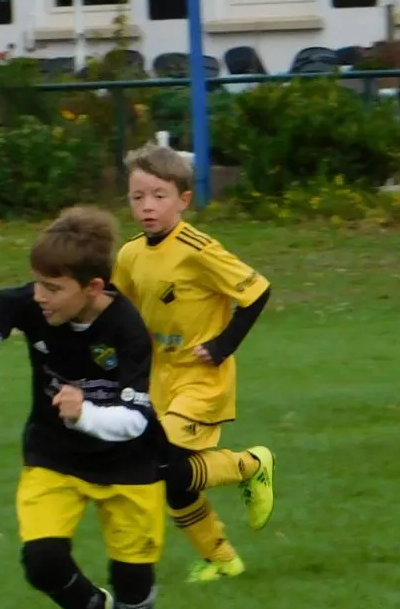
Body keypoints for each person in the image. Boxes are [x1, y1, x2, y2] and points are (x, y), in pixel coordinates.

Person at [0, 207, 163, 609]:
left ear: (93, 288)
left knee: (134, 581)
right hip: (53, 457)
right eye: (37, 284)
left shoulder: (128, 331)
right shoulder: (34, 305)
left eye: (53, 288)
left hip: (129, 466)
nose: (39, 297)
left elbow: (136, 420)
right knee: (42, 561)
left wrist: (85, 413)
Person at [112, 144, 277, 583]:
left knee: (161, 465)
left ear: (183, 199)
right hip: (158, 381)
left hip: (203, 379)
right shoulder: (130, 255)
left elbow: (257, 291)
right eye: (137, 197)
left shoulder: (198, 249)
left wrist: (223, 345)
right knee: (171, 477)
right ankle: (222, 560)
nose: (147, 206)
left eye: (159, 196)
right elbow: (116, 310)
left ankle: (251, 465)